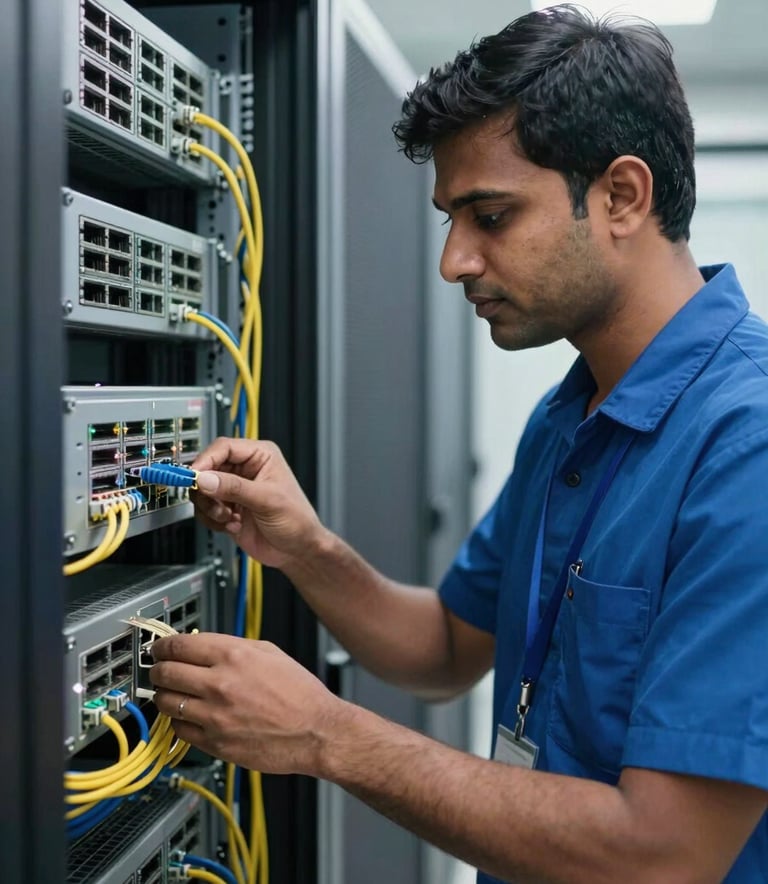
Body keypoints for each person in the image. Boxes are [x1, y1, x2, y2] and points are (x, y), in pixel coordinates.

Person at [150, 5, 768, 881]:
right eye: (452, 218)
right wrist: (307, 547)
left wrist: (327, 734)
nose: (454, 262)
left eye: (490, 215)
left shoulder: (748, 447)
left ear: (622, 196)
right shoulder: (571, 420)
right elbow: (444, 648)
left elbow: (662, 854)